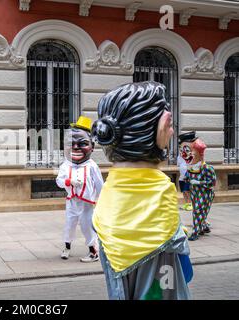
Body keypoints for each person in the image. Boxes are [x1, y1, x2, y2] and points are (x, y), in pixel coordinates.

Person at [92, 82, 193, 300]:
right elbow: (166, 290)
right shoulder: (157, 194)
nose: (173, 131)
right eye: (171, 123)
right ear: (163, 125)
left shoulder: (110, 194)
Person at [56, 116, 104, 263]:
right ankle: (67, 247)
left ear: (92, 147)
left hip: (87, 204)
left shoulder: (92, 166)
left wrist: (102, 202)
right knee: (69, 225)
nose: (76, 147)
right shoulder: (65, 165)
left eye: (82, 143)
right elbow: (59, 181)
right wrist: (69, 181)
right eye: (71, 143)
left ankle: (93, 251)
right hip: (72, 201)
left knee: (87, 226)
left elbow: (100, 185)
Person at [181, 133, 216, 241]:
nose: (184, 154)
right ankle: (204, 227)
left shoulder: (208, 168)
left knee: (198, 211)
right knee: (200, 211)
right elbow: (186, 178)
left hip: (205, 194)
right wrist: (187, 181)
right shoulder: (190, 169)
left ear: (200, 153)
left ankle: (196, 231)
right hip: (195, 194)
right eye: (182, 150)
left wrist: (198, 182)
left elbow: (212, 183)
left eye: (187, 150)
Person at [177, 134, 193, 211]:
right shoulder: (180, 156)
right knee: (183, 191)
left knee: (187, 191)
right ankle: (186, 204)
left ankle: (190, 204)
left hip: (188, 176)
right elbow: (179, 164)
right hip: (181, 176)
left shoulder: (190, 155)